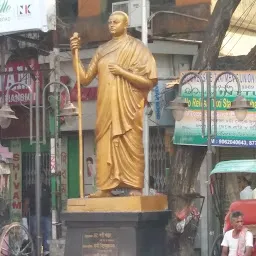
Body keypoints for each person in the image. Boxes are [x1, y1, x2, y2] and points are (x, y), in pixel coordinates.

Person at [70, 11, 157, 197]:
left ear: (125, 25)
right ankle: (105, 187)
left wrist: (122, 72)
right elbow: (84, 79)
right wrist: (74, 54)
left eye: (115, 22)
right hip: (106, 108)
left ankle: (135, 186)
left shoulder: (138, 48)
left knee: (131, 144)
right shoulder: (102, 50)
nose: (111, 25)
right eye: (109, 22)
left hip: (129, 108)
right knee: (104, 145)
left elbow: (148, 82)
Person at [24, 170, 51, 256]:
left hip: (45, 215)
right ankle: (35, 251)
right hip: (34, 214)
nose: (41, 178)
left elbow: (50, 200)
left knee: (47, 232)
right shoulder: (31, 187)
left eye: (42, 177)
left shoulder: (46, 187)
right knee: (35, 233)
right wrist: (24, 214)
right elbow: (27, 201)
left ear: (44, 178)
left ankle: (46, 250)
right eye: (39, 176)